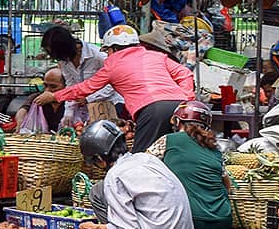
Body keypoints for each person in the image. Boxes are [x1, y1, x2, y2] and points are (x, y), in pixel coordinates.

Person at [35, 24, 196, 152]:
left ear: (113, 48)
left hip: (152, 110)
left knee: (142, 158)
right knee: (173, 151)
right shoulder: (156, 55)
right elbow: (185, 74)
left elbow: (86, 88)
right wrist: (186, 100)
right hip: (180, 107)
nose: (108, 54)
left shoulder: (112, 63)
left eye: (108, 50)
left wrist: (55, 96)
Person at [78, 119, 195, 229]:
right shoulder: (148, 159)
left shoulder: (115, 176)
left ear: (100, 159)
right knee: (104, 191)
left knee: (97, 192)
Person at [147, 101, 232, 229]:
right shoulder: (215, 150)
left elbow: (142, 164)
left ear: (178, 121)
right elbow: (226, 183)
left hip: (187, 222)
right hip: (222, 221)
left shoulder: (169, 140)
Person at [41, 25, 124, 118]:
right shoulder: (64, 60)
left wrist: (88, 98)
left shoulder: (98, 56)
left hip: (110, 105)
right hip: (86, 110)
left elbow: (112, 83)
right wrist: (68, 112)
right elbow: (71, 85)